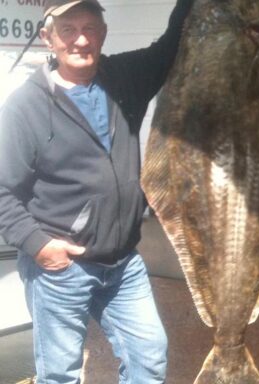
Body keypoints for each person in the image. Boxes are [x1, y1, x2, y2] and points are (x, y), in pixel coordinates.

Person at [0, 0, 192, 382]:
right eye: (68, 30)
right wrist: (39, 244)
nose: (81, 39)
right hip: (61, 269)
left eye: (90, 28)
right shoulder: (24, 106)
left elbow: (171, 45)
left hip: (123, 262)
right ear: (48, 38)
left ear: (103, 33)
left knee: (149, 356)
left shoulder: (123, 79)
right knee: (60, 374)